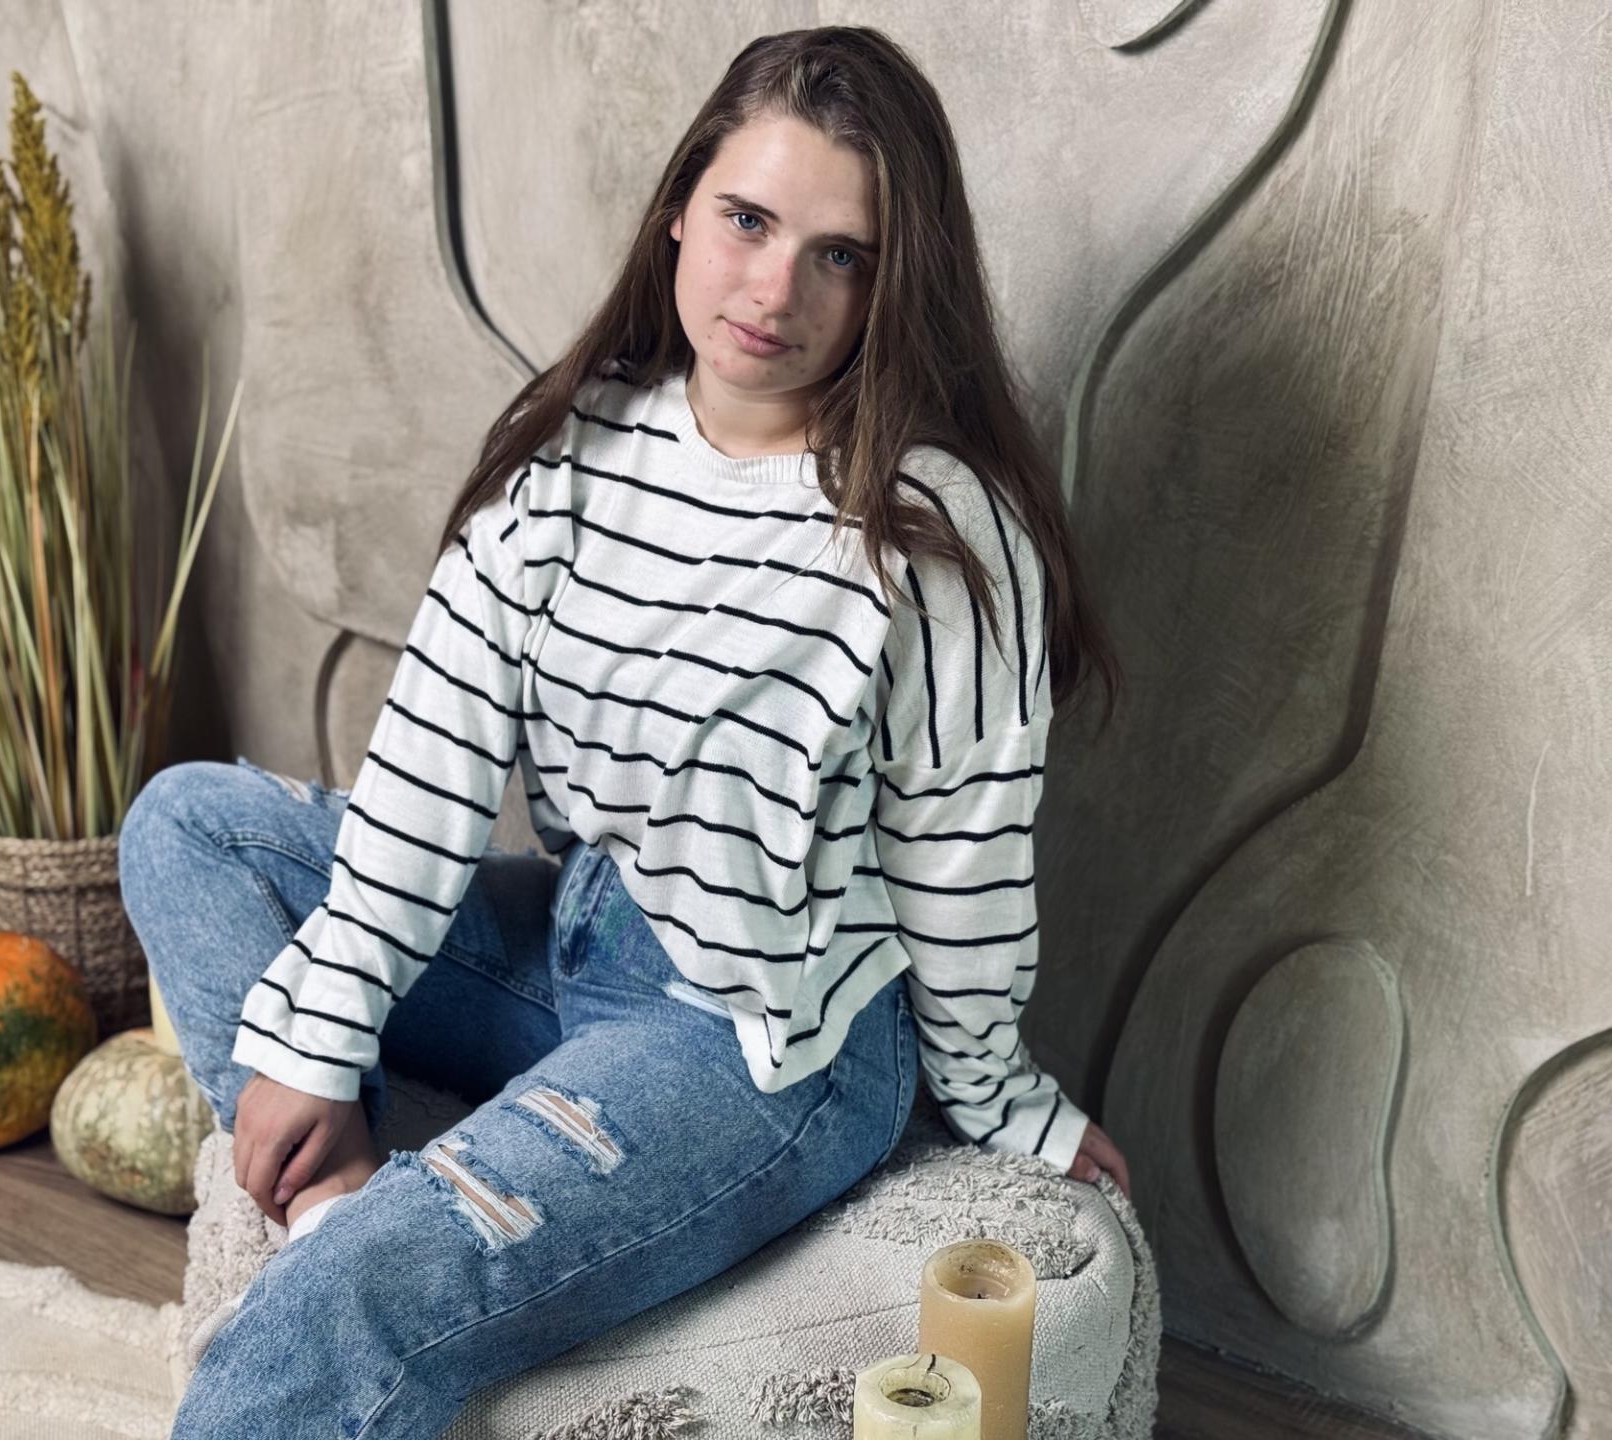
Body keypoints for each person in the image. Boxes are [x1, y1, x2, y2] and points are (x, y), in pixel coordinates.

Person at [119, 24, 1130, 1437]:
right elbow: (426, 770)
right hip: (577, 941)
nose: (774, 288)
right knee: (186, 825)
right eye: (748, 220)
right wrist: (319, 1037)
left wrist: (1008, 1102)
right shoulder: (575, 449)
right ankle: (335, 1210)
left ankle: (354, 1280)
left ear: (895, 284)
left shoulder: (933, 532)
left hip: (765, 1044)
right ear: (680, 212)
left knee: (360, 1296)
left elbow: (960, 875)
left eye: (840, 254)